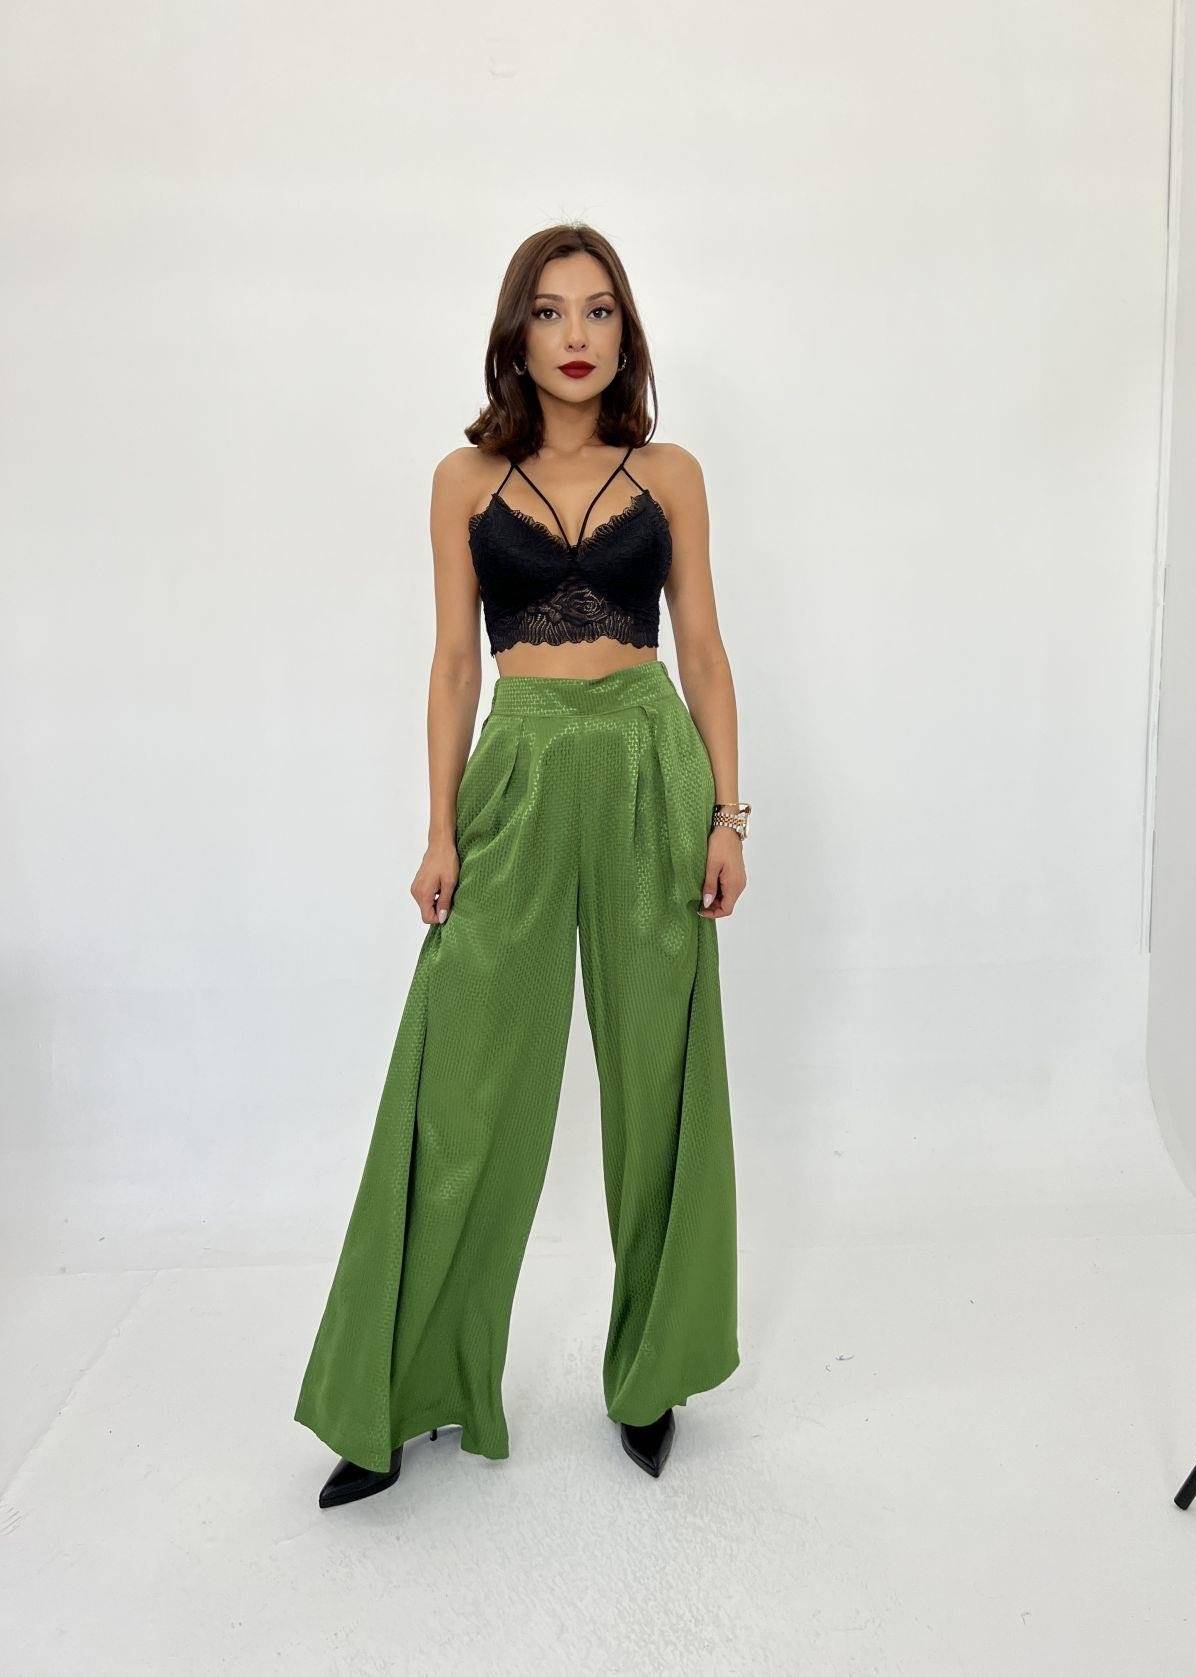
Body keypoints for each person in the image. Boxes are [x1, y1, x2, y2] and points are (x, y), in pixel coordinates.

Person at [293, 222, 750, 1507]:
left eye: (598, 310)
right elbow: (454, 665)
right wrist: (440, 830)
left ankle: (652, 1374)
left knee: (657, 1076)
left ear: (625, 332)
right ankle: (400, 1391)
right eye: (550, 312)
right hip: (521, 766)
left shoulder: (670, 473)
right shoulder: (463, 479)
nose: (575, 335)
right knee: (465, 1082)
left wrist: (727, 816)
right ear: (516, 334)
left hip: (650, 764)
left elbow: (704, 651)